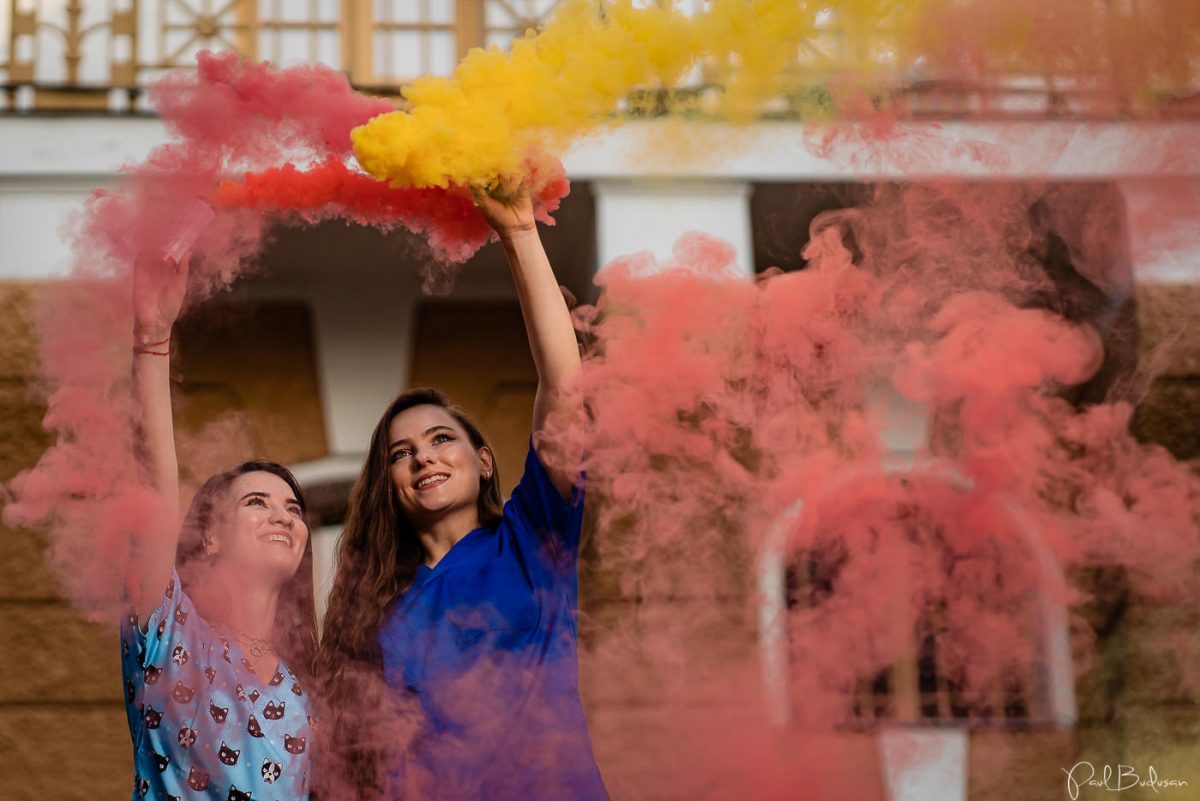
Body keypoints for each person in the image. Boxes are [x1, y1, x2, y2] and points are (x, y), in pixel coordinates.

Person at [316, 181, 608, 801]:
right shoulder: (373, 604)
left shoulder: (534, 539)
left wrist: (519, 233)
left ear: (482, 460)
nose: (423, 455)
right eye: (401, 453)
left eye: (441, 439)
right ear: (388, 487)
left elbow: (563, 389)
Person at [123, 245, 318, 800]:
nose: (284, 514)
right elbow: (151, 493)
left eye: (294, 508)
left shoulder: (309, 682)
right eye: (257, 502)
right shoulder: (168, 634)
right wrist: (151, 339)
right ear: (208, 535)